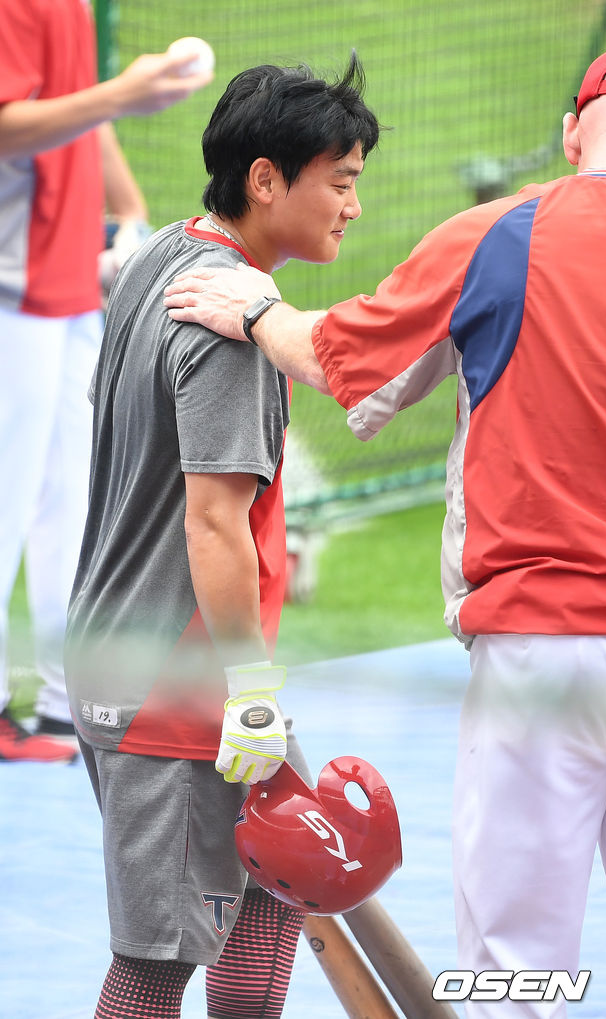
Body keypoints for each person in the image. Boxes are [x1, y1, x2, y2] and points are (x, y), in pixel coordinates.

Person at [165, 42, 606, 1019]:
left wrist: (257, 308)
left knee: (510, 967)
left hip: (537, 656)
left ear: (574, 131)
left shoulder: (495, 234)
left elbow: (339, 358)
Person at [64, 58, 380, 1019]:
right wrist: (248, 691)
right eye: (342, 181)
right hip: (178, 684)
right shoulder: (233, 325)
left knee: (274, 895)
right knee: (158, 959)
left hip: (147, 660)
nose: (353, 209)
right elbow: (213, 518)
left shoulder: (163, 254)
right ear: (266, 179)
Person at [0, 0, 214, 762]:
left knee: (80, 496)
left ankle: (66, 703)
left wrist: (128, 208)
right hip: (8, 281)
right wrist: (123, 92)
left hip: (62, 277)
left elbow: (73, 108)